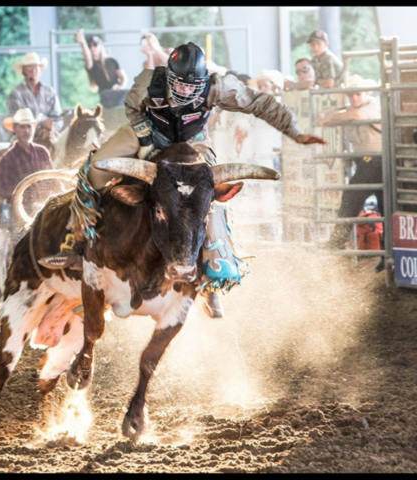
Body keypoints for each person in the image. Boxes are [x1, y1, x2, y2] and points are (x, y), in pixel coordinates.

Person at [39, 42, 326, 316]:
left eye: (192, 85)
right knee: (96, 168)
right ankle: (76, 239)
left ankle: (215, 264)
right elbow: (132, 107)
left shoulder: (218, 86)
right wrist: (145, 137)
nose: (186, 90)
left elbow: (259, 102)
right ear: (169, 77)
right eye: (179, 84)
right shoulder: (149, 81)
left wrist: (295, 131)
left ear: (203, 83)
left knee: (208, 191)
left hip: (194, 141)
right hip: (147, 132)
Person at [317, 75, 384, 267]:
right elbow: (326, 115)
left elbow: (357, 115)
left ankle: (336, 243)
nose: (354, 98)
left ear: (367, 93)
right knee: (376, 205)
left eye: (358, 94)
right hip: (365, 162)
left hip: (376, 162)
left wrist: (331, 117)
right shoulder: (349, 110)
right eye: (351, 94)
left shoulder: (374, 106)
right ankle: (384, 256)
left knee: (353, 200)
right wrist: (327, 115)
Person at [0, 108, 56, 239]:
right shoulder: (8, 158)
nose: (26, 131)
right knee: (21, 244)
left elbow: (54, 179)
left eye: (29, 126)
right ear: (15, 129)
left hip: (44, 208)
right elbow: (1, 189)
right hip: (20, 212)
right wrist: (26, 196)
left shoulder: (42, 152)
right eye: (22, 127)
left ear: (33, 127)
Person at [7, 52, 64, 132]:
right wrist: (43, 121)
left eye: (36, 68)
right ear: (24, 71)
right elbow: (17, 121)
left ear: (41, 70)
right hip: (26, 136)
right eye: (29, 68)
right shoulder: (16, 93)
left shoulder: (50, 92)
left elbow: (58, 119)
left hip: (49, 135)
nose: (33, 71)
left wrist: (51, 127)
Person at [75, 29, 129, 109]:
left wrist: (120, 87)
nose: (93, 48)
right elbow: (87, 58)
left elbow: (124, 78)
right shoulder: (91, 65)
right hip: (105, 94)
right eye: (90, 46)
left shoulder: (112, 60)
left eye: (95, 45)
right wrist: (82, 42)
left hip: (117, 92)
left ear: (100, 45)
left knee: (129, 93)